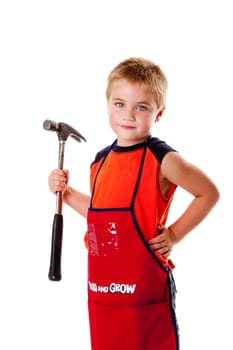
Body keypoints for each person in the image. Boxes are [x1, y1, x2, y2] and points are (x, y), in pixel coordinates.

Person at [48, 57, 220, 350]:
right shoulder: (100, 162)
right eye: (119, 104)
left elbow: (209, 193)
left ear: (159, 113)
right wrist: (66, 192)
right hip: (104, 289)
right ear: (107, 106)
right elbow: (102, 214)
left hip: (143, 289)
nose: (128, 115)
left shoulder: (163, 160)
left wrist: (175, 234)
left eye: (141, 107)